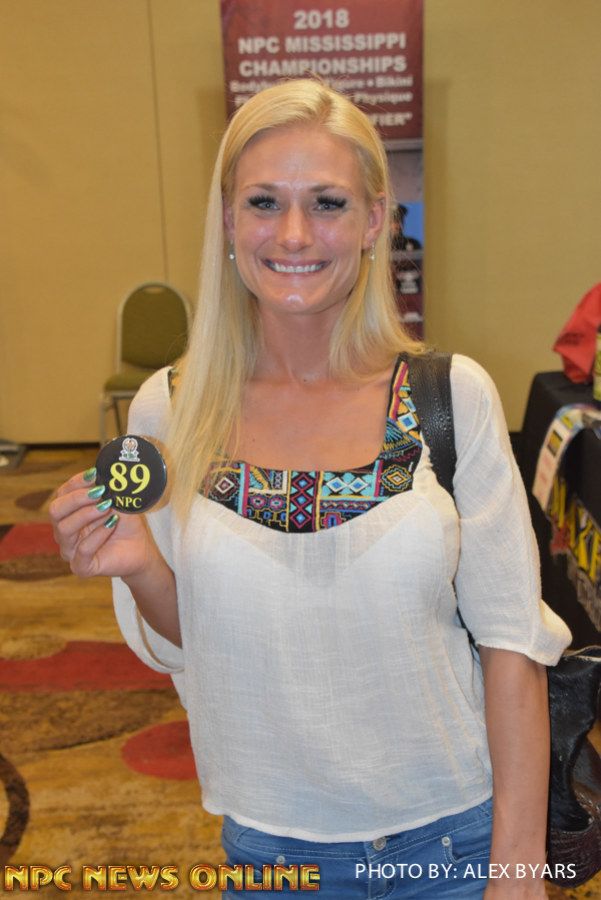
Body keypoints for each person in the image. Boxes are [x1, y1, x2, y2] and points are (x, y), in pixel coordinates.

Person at [50, 79, 571, 898]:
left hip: (454, 844)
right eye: (263, 202)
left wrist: (517, 872)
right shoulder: (172, 410)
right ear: (228, 220)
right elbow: (201, 642)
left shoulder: (448, 397)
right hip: (272, 855)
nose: (293, 234)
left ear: (374, 221)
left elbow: (511, 648)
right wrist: (143, 567)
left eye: (327, 203)